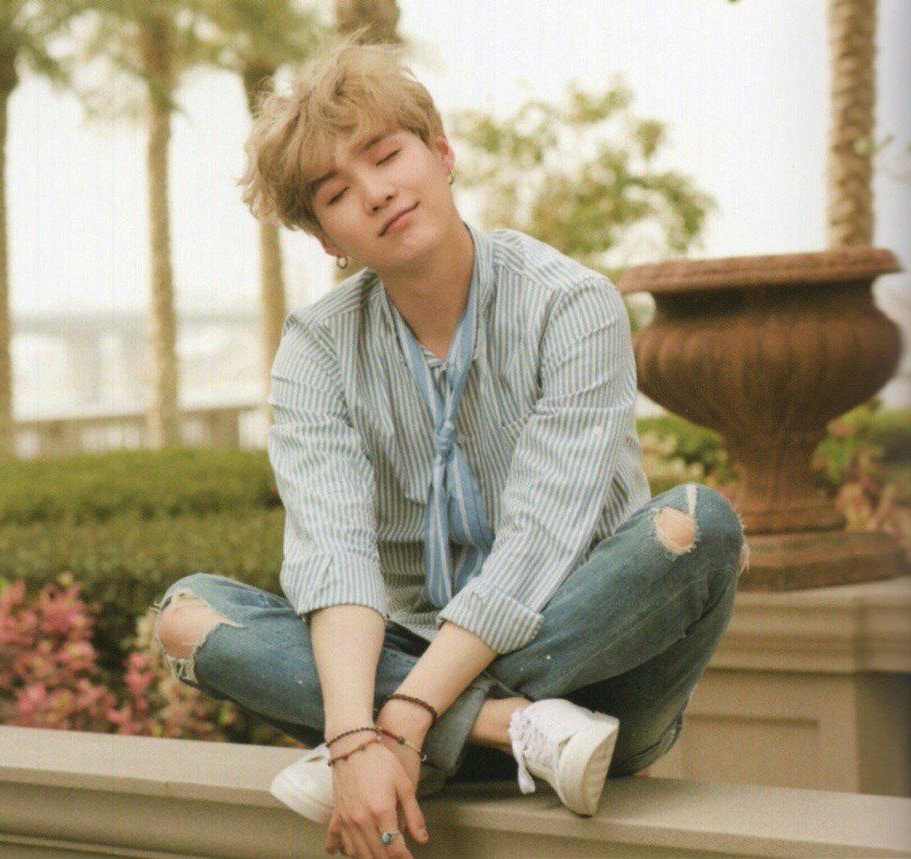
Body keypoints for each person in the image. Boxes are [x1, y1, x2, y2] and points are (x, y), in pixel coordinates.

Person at [152, 35, 749, 859]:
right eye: (337, 193)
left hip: (595, 675)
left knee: (698, 526)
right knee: (187, 617)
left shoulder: (571, 306)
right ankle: (511, 728)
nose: (376, 192)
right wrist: (356, 732)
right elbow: (336, 558)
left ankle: (433, 739)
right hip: (511, 709)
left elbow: (540, 544)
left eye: (386, 155)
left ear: (440, 152)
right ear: (326, 238)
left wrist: (397, 720)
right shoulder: (316, 350)